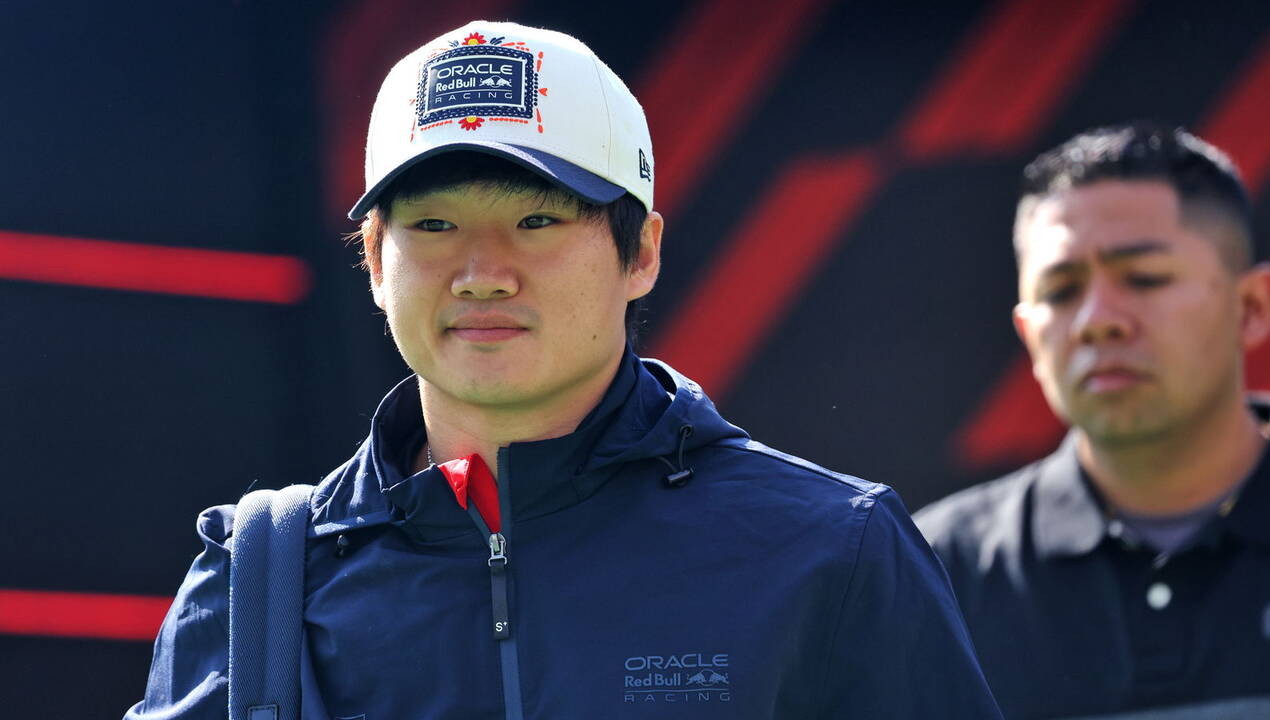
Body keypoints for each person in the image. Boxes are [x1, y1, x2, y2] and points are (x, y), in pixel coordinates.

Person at [125, 20, 1001, 720]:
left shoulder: (831, 548)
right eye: (433, 226)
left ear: (642, 253)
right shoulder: (256, 585)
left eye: (537, 221)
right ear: (375, 262)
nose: (482, 273)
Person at [915, 124, 1270, 719]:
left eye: (1145, 278)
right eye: (1061, 290)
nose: (1097, 320)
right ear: (1029, 335)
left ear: (1252, 306)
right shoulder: (935, 574)